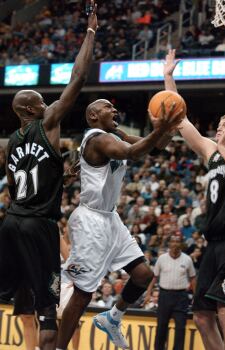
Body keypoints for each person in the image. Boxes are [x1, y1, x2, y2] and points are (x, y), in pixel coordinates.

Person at [0, 3, 97, 350]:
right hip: (39, 226)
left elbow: (14, 187)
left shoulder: (11, 142)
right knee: (46, 310)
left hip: (11, 222)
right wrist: (90, 33)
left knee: (9, 293)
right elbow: (78, 78)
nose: (46, 103)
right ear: (31, 110)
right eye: (42, 101)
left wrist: (58, 177)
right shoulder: (48, 123)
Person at [56, 98, 184, 350]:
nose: (115, 110)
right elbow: (131, 152)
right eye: (107, 107)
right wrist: (159, 129)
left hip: (110, 217)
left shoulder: (114, 134)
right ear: (93, 116)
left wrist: (169, 129)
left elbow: (155, 148)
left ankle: (113, 317)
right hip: (90, 221)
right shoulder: (97, 139)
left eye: (115, 107)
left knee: (143, 274)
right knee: (83, 294)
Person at [163, 49, 225, 350]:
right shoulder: (210, 151)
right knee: (202, 316)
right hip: (212, 243)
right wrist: (168, 77)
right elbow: (179, 119)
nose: (221, 126)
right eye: (220, 124)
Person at [144, 235, 196, 350]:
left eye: (178, 241)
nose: (175, 244)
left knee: (181, 327)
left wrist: (196, 296)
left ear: (181, 244)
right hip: (164, 295)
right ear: (169, 244)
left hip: (181, 297)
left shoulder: (187, 259)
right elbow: (154, 278)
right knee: (161, 326)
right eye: (173, 241)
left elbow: (193, 278)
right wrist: (148, 294)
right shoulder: (162, 258)